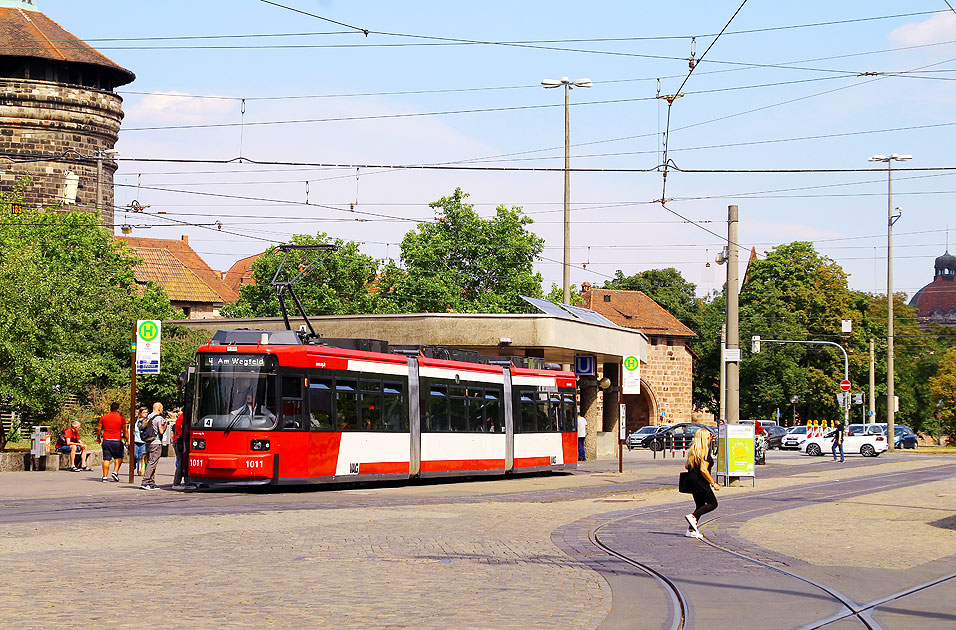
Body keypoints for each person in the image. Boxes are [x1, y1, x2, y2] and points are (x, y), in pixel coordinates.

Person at [683, 429, 720, 539]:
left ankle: (691, 530)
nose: (710, 440)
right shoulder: (705, 452)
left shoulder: (693, 451)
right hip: (701, 482)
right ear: (705, 439)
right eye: (709, 438)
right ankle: (693, 517)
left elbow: (686, 466)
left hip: (691, 481)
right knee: (712, 504)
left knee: (700, 505)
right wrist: (713, 483)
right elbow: (704, 470)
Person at [97, 402, 127, 482]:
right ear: (118, 409)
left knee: (106, 459)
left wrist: (98, 438)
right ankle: (115, 471)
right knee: (119, 457)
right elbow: (125, 430)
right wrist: (127, 440)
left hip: (106, 440)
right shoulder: (121, 418)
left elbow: (99, 429)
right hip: (117, 440)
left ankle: (105, 477)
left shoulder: (103, 417)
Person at [141, 402, 167, 490]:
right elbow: (161, 431)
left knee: (150, 461)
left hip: (148, 442)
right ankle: (145, 481)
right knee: (152, 462)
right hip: (156, 442)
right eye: (162, 408)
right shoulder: (159, 418)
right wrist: (165, 425)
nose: (162, 410)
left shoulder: (148, 416)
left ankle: (151, 482)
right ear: (159, 408)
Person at [134, 407, 148, 476]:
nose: (145, 414)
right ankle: (133, 464)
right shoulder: (135, 420)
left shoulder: (147, 421)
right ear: (140, 413)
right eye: (144, 412)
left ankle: (140, 471)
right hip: (135, 441)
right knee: (135, 455)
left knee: (141, 457)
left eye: (146, 412)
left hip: (143, 442)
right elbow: (130, 429)